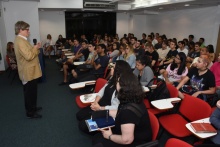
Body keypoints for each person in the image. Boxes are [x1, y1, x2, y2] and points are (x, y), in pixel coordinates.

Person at [92, 72, 152, 147]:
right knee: (97, 137)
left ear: (123, 87)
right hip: (131, 133)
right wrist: (105, 112)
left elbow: (127, 140)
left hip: (136, 142)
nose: (116, 83)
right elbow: (120, 113)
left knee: (98, 143)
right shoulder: (133, 98)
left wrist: (110, 136)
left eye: (118, 82)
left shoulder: (128, 111)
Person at [77, 60, 132, 135]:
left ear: (118, 71)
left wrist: (99, 108)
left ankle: (101, 131)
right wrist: (96, 102)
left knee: (82, 126)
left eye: (113, 68)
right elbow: (101, 91)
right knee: (79, 115)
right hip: (100, 104)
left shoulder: (122, 87)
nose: (111, 69)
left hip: (107, 110)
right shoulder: (112, 78)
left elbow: (116, 107)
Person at [14, 21, 42, 119]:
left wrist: (36, 48)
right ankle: (30, 112)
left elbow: (30, 52)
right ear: (20, 30)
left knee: (33, 91)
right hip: (27, 72)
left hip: (31, 71)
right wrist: (35, 48)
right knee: (29, 93)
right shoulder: (20, 41)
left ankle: (33, 108)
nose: (28, 31)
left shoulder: (23, 40)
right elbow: (29, 56)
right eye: (27, 29)